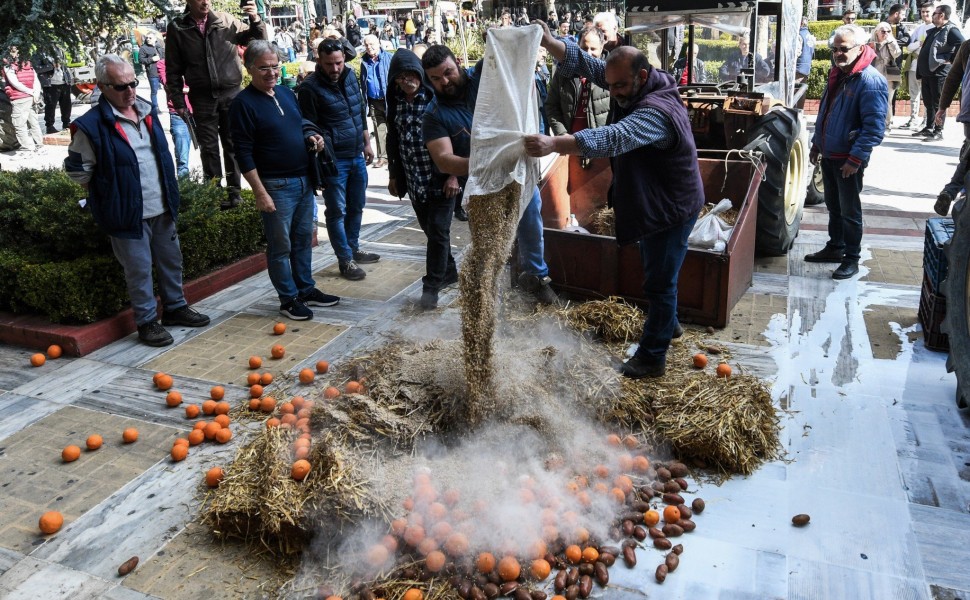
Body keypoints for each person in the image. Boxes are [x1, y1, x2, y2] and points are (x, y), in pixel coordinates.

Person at [525, 24, 699, 379]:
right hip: (657, 200)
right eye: (612, 84)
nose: (614, 91)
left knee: (659, 282)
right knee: (659, 273)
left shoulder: (656, 112)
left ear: (642, 76)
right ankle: (670, 323)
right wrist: (550, 42)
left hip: (672, 208)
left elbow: (613, 137)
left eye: (620, 86)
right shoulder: (637, 81)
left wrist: (554, 143)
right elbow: (589, 67)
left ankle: (652, 357)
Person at [64, 54, 210, 346]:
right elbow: (78, 171)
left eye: (132, 83)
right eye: (120, 86)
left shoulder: (147, 110)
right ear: (102, 87)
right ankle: (146, 322)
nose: (130, 91)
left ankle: (176, 308)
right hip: (125, 213)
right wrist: (108, 189)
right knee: (139, 269)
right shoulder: (91, 126)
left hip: (162, 205)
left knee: (171, 261)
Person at [421, 44, 557, 305]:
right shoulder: (434, 115)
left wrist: (499, 40)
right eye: (436, 79)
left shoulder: (481, 77)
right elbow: (445, 161)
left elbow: (512, 52)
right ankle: (487, 294)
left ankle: (537, 278)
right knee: (488, 241)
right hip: (481, 184)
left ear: (458, 63)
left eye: (448, 72)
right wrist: (489, 163)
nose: (445, 81)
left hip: (516, 169)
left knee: (530, 221)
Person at [230, 40, 339, 320]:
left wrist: (311, 137)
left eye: (275, 66)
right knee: (281, 247)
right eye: (263, 68)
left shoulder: (286, 94)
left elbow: (297, 125)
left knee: (303, 240)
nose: (271, 73)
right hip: (275, 187)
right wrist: (259, 192)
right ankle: (288, 298)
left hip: (303, 180)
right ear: (249, 69)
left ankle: (305, 289)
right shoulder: (242, 104)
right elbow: (242, 153)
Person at [165, 0, 266, 210]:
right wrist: (178, 102)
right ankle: (214, 194)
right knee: (209, 149)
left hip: (231, 95)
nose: (206, 2)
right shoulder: (178, 27)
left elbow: (258, 40)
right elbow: (173, 69)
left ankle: (235, 193)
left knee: (233, 145)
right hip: (201, 98)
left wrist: (255, 19)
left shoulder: (225, 20)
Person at [805, 24, 888, 280]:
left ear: (860, 48)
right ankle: (835, 247)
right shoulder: (838, 73)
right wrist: (817, 145)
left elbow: (874, 128)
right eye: (835, 49)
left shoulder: (870, 81)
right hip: (831, 155)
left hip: (848, 160)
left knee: (850, 211)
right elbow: (825, 114)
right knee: (834, 206)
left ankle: (851, 258)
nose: (838, 53)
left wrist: (855, 159)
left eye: (844, 49)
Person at [298, 38, 379, 281]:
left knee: (357, 206)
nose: (335, 69)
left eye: (339, 63)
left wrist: (366, 141)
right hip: (334, 160)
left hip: (356, 152)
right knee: (337, 211)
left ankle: (353, 248)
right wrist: (318, 142)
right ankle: (345, 259)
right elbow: (307, 124)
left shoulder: (350, 75)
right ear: (319, 62)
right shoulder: (309, 88)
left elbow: (359, 110)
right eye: (329, 64)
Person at [385, 49, 457, 309]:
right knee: (433, 233)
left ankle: (431, 290)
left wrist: (453, 175)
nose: (407, 80)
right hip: (415, 182)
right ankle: (448, 271)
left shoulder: (436, 99)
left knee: (438, 233)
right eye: (401, 77)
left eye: (411, 74)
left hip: (440, 180)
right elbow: (393, 138)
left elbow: (459, 138)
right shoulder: (397, 102)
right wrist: (394, 174)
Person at [912, 4, 965, 140]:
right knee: (928, 103)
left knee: (938, 103)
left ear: (942, 15)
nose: (932, 15)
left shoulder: (951, 29)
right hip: (928, 73)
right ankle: (929, 127)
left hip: (939, 74)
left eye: (935, 13)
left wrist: (949, 59)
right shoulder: (936, 29)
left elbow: (962, 44)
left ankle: (938, 131)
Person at [546, 27, 610, 136]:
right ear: (578, 46)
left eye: (593, 49)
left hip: (600, 146)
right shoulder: (564, 72)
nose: (588, 54)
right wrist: (562, 134)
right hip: (570, 144)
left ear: (602, 47)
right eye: (584, 48)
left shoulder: (611, 73)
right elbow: (552, 106)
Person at [931, 35, 970, 216]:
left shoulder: (967, 46)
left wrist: (943, 107)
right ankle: (954, 191)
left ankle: (951, 191)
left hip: (968, 114)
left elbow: (952, 78)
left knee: (968, 151)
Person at [2, 47, 43, 153]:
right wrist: (35, 93)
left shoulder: (9, 65)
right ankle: (39, 146)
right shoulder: (28, 64)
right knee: (34, 122)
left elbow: (14, 82)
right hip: (31, 97)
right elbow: (36, 80)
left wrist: (30, 92)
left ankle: (26, 149)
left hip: (20, 98)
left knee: (20, 124)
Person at [360, 35, 392, 169]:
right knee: (379, 129)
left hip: (388, 99)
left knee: (393, 128)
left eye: (372, 44)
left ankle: (394, 156)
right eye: (366, 45)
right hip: (373, 100)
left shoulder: (389, 58)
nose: (369, 47)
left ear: (379, 44)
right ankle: (382, 157)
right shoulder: (364, 61)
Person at [904, 3, 938, 130]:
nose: (925, 14)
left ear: (933, 12)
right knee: (914, 95)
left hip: (928, 68)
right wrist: (920, 43)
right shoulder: (919, 28)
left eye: (927, 12)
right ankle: (913, 119)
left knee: (927, 97)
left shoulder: (936, 28)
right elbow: (909, 47)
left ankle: (926, 121)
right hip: (914, 66)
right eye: (923, 11)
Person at [157, 58, 192, 178]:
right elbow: (169, 85)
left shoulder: (192, 59)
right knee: (182, 159)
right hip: (179, 114)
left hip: (200, 111)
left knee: (210, 154)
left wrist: (184, 87)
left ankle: (211, 190)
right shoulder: (162, 63)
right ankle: (185, 191)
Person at [34, 47, 74, 134]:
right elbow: (36, 68)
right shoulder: (39, 52)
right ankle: (50, 126)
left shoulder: (59, 49)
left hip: (64, 82)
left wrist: (69, 78)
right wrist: (51, 66)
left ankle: (66, 124)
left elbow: (64, 65)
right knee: (51, 106)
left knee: (66, 105)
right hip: (50, 84)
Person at [870, 22, 902, 130]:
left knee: (887, 100)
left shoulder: (891, 42)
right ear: (877, 32)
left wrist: (890, 42)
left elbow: (897, 54)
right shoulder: (871, 43)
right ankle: (875, 123)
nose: (886, 33)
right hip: (874, 74)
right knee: (873, 99)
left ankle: (888, 124)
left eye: (888, 31)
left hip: (889, 75)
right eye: (883, 31)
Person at [138, 33, 164, 111]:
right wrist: (152, 59)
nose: (148, 39)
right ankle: (155, 108)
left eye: (150, 38)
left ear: (155, 39)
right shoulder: (143, 48)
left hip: (163, 72)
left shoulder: (159, 46)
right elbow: (141, 60)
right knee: (154, 91)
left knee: (169, 89)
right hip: (153, 73)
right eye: (147, 38)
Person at [796, 16, 816, 83]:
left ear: (800, 23)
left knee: (795, 91)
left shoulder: (799, 35)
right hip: (806, 68)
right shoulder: (809, 35)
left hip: (798, 68)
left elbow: (796, 53)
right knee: (801, 91)